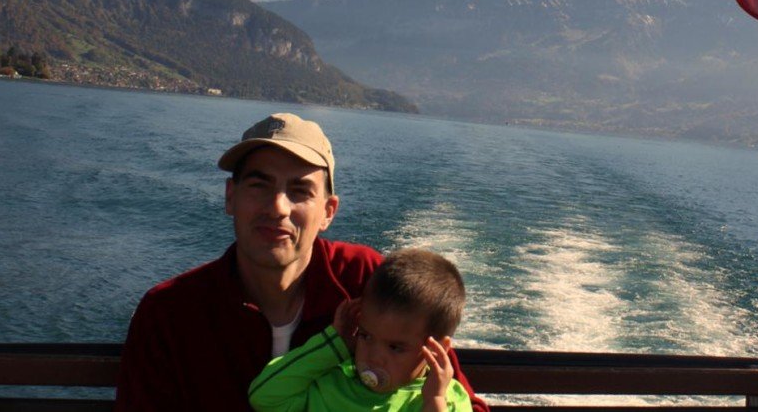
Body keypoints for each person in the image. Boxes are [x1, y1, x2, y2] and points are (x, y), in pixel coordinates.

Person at [115, 113, 487, 411]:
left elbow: (456, 396)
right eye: (259, 185)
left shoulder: (369, 281)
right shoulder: (170, 313)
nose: (277, 207)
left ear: (328, 211)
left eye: (299, 191)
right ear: (231, 197)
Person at [248, 248, 472, 412]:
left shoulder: (446, 400)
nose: (373, 356)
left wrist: (434, 400)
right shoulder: (331, 384)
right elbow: (264, 397)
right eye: (365, 336)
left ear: (435, 351)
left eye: (395, 347)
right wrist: (333, 344)